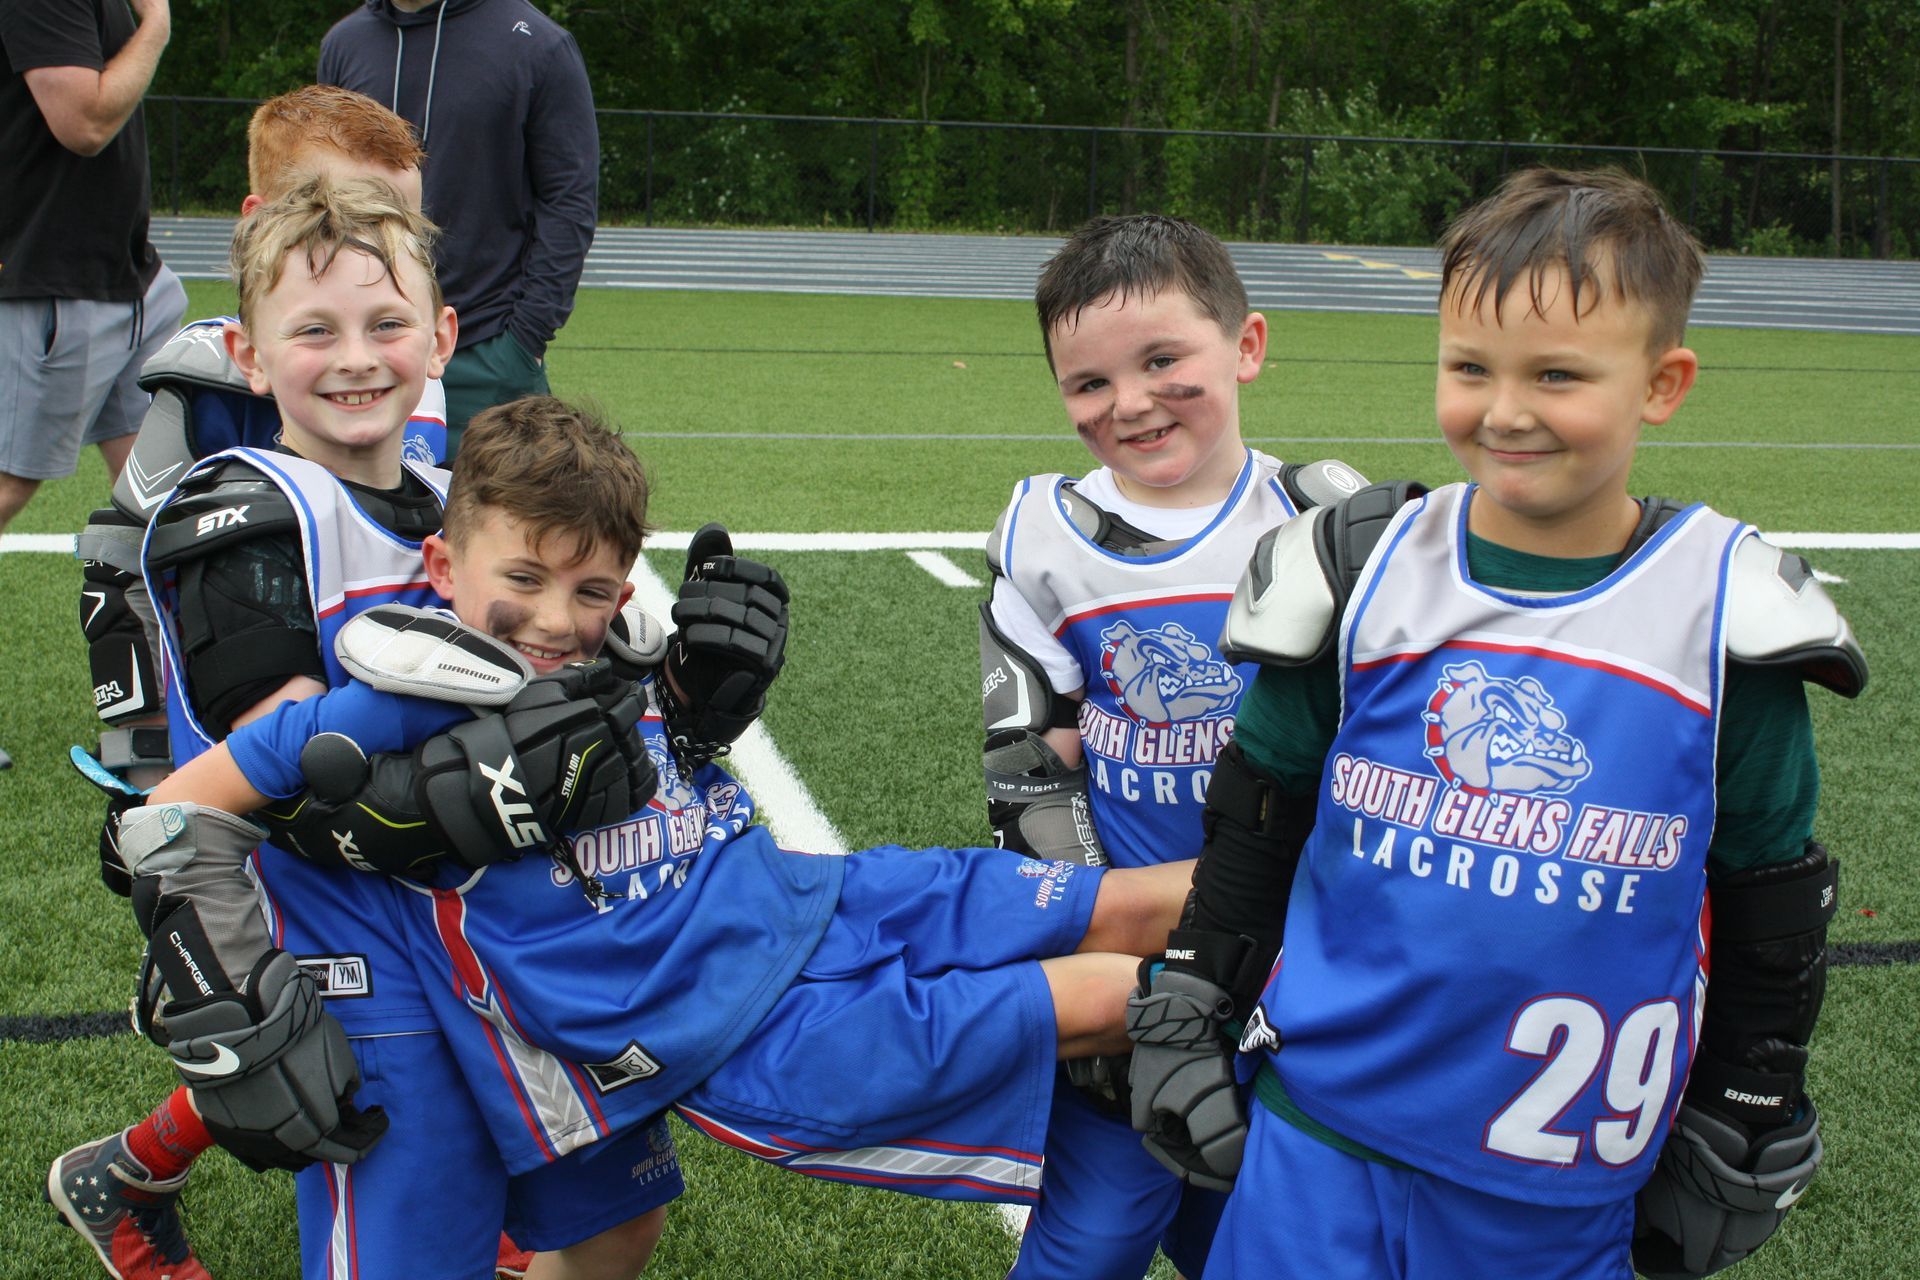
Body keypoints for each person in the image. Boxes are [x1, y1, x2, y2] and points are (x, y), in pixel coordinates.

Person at [111, 388, 1197, 1248]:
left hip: (808, 897)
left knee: (1102, 900)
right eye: (525, 576)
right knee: (1106, 993)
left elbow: (661, 733)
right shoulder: (402, 680)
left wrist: (693, 695)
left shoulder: (612, 641)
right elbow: (178, 807)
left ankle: (1326, 903)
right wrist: (219, 963)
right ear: (442, 565)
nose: (554, 617)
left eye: (591, 588)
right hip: (711, 1019)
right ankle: (1335, 1016)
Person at [1126, 168, 1865, 1279]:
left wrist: (1754, 1088)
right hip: (1320, 1132)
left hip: (1556, 1180)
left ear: (1662, 383)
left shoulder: (1726, 615)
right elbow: (1259, 811)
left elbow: (1772, 896)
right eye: (1470, 366)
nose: (1505, 408)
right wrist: (1190, 984)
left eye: (1557, 373)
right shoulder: (1362, 566)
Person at [49, 177, 727, 1280]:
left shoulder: (456, 492)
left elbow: (587, 680)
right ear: (251, 356)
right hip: (366, 960)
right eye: (313, 329)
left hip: (508, 938)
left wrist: (691, 693)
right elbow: (289, 769)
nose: (357, 355)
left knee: (616, 1217)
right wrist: (507, 774)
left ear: (441, 337)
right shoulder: (244, 514)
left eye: (386, 322)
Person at [979, 213, 1363, 1280]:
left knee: (1255, 1236)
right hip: (1142, 954)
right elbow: (1028, 769)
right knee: (1090, 1242)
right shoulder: (1044, 534)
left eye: (1162, 360)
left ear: (1246, 346)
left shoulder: (1330, 522)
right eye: (1088, 382)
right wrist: (1106, 961)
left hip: (1294, 960)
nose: (1130, 403)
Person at [73, 85, 446, 860]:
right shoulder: (215, 379)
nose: (364, 245)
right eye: (336, 206)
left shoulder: (413, 371)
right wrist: (147, 754)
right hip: (261, 709)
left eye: (397, 221)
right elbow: (120, 558)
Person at [318, 0, 599, 455]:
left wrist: (525, 338)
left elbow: (569, 201)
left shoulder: (539, 46)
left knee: (504, 523)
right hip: (362, 353)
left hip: (486, 350)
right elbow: (320, 189)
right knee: (360, 519)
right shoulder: (345, 44)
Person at [0, 0, 186, 536]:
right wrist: (156, 25)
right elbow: (85, 123)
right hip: (52, 278)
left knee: (155, 482)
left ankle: (146, 619)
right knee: (10, 480)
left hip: (133, 278)